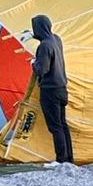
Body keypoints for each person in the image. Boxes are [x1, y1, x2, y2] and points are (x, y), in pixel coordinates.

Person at [30, 15, 74, 164]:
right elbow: (49, 48)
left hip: (50, 91)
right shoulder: (56, 39)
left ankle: (60, 160)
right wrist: (34, 36)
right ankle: (69, 158)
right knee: (63, 125)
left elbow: (41, 69)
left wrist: (33, 63)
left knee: (55, 127)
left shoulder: (44, 46)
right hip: (62, 89)